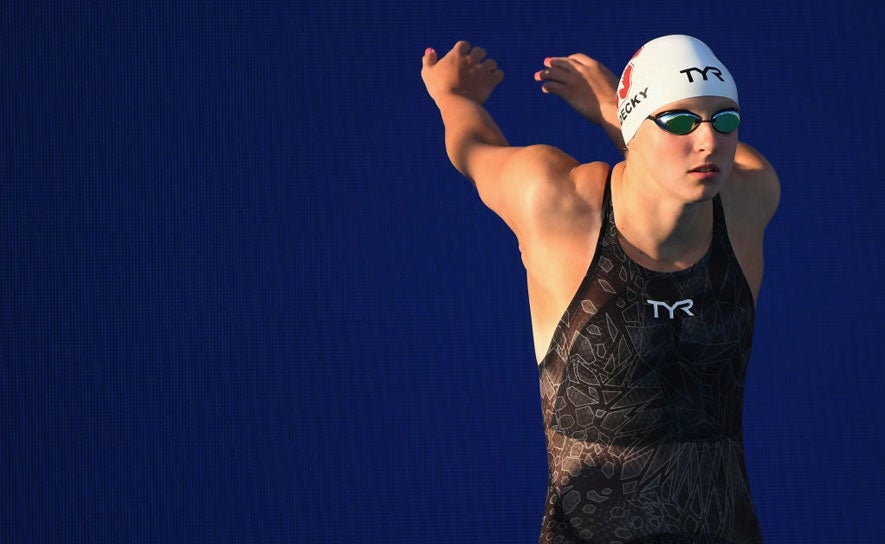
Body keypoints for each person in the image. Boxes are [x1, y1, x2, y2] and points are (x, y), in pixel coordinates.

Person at [420, 35, 779, 543]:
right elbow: (477, 153)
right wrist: (453, 97)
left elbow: (690, 158)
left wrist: (617, 106)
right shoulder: (561, 206)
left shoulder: (748, 199)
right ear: (635, 126)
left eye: (725, 120)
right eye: (679, 120)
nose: (708, 141)